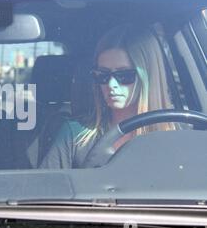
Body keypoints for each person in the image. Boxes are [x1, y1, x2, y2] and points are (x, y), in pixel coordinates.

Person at [39, 25, 177, 169]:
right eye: (103, 75)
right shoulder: (75, 136)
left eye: (124, 75)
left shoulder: (178, 137)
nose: (111, 84)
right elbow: (44, 188)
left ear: (148, 77)